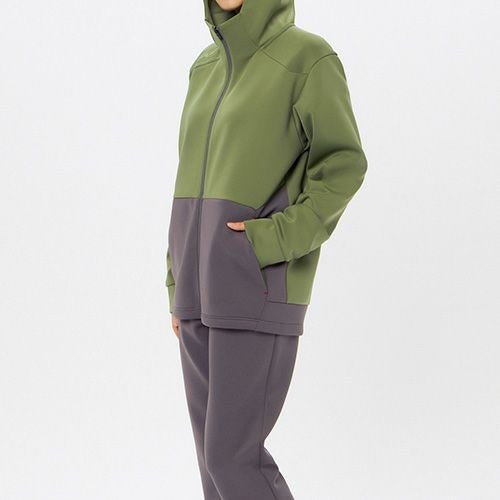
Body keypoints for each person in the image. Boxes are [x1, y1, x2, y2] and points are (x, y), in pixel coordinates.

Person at [165, 0, 367, 497]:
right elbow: (188, 178)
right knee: (213, 469)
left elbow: (343, 167)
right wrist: (176, 279)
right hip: (195, 291)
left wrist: (269, 241)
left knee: (233, 459)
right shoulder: (204, 68)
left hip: (256, 285)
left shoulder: (308, 59)